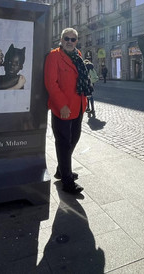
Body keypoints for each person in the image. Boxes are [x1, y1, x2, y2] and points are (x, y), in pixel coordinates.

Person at [44, 28, 92, 195]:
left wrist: (83, 104)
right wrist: (62, 104)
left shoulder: (78, 55)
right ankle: (67, 181)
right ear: (61, 39)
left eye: (73, 39)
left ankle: (61, 169)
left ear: (76, 41)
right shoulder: (54, 56)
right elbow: (51, 83)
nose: (70, 42)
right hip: (62, 108)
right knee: (64, 143)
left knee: (75, 138)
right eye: (67, 39)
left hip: (78, 105)